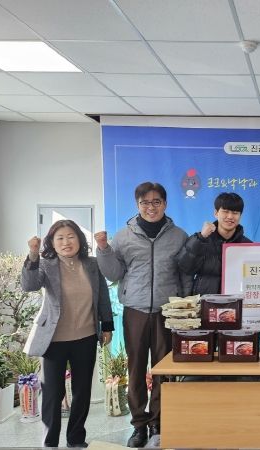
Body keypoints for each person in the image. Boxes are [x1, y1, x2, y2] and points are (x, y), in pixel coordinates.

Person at [95, 182, 190, 448]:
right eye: (145, 202)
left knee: (163, 369)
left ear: (165, 204)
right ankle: (138, 424)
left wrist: (184, 308)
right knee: (136, 368)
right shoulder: (123, 237)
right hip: (135, 310)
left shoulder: (179, 236)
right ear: (137, 205)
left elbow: (184, 274)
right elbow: (113, 273)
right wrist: (103, 249)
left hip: (167, 311)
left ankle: (158, 421)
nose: (151, 207)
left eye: (156, 201)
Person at [22, 220, 114, 448]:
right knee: (53, 393)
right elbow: (29, 285)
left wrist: (107, 325)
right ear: (52, 243)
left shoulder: (92, 264)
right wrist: (33, 254)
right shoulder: (46, 265)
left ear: (79, 240)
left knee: (82, 391)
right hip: (54, 340)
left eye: (71, 236)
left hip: (86, 337)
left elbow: (102, 296)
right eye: (60, 238)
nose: (66, 242)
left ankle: (76, 439)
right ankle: (50, 441)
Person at [179, 192, 252, 295]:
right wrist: (201, 238)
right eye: (225, 211)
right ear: (216, 213)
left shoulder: (247, 245)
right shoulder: (201, 239)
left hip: (235, 300)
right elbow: (186, 268)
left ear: (240, 216)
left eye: (235, 212)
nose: (230, 216)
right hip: (205, 300)